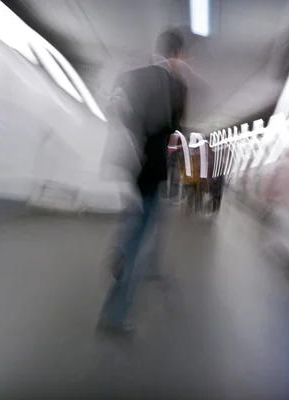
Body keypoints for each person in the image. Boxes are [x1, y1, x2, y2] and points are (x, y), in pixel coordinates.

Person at [98, 29, 187, 333]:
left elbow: (120, 113)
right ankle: (115, 315)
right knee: (140, 233)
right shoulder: (178, 87)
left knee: (139, 222)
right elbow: (174, 135)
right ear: (178, 55)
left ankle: (126, 251)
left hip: (132, 166)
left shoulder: (135, 76)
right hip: (154, 170)